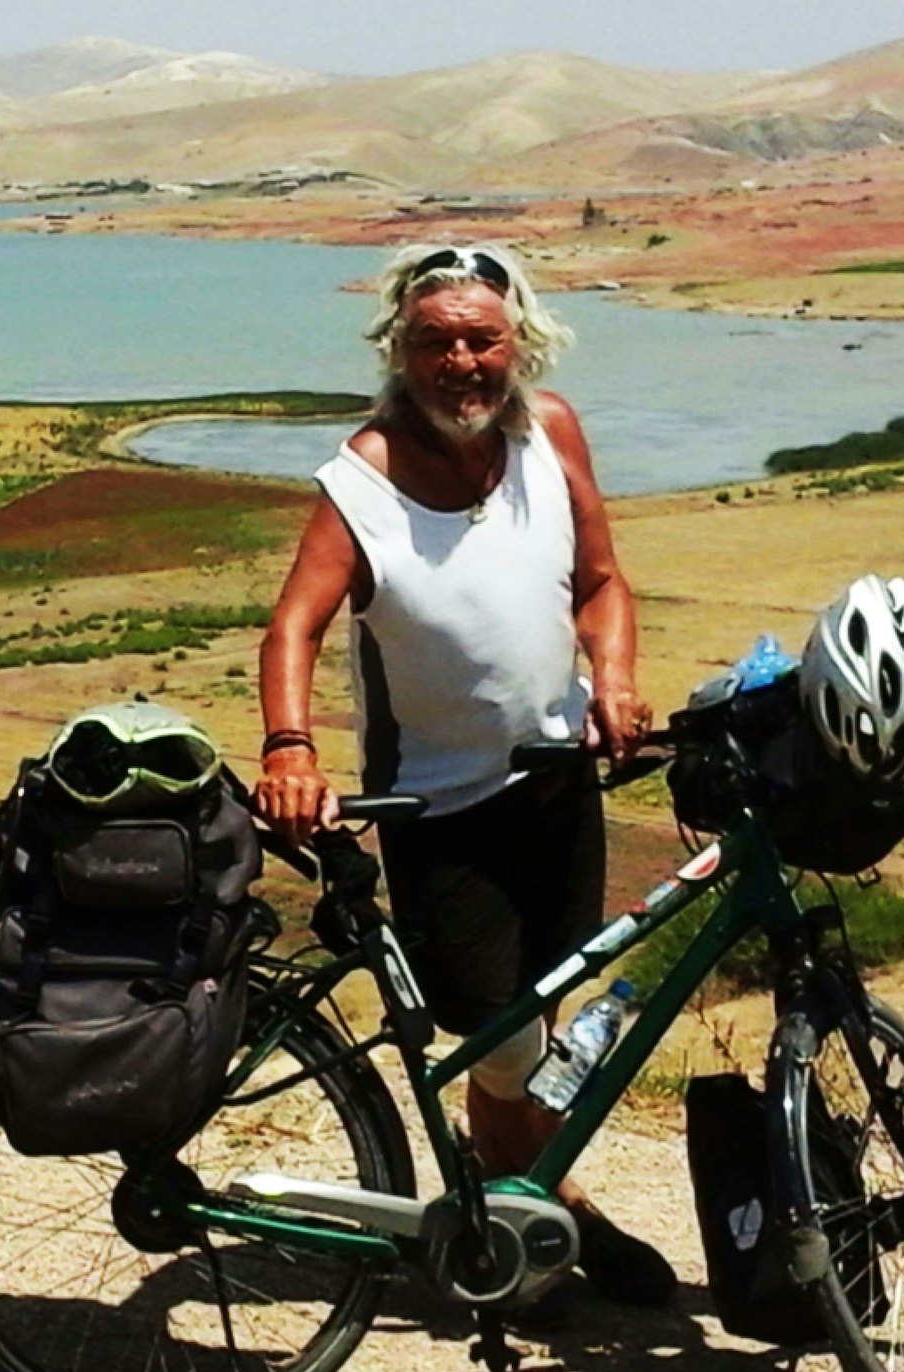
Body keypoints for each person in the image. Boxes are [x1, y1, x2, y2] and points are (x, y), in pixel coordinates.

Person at [255, 243, 675, 1306]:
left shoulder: (552, 433)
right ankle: (540, 1222)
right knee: (496, 1038)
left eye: (480, 340)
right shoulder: (361, 477)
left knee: (539, 1010)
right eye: (433, 342)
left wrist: (614, 678)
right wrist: (289, 750)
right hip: (440, 804)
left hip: (555, 783)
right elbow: (293, 628)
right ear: (396, 349)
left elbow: (601, 581)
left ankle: (522, 1215)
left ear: (518, 343)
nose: (459, 363)